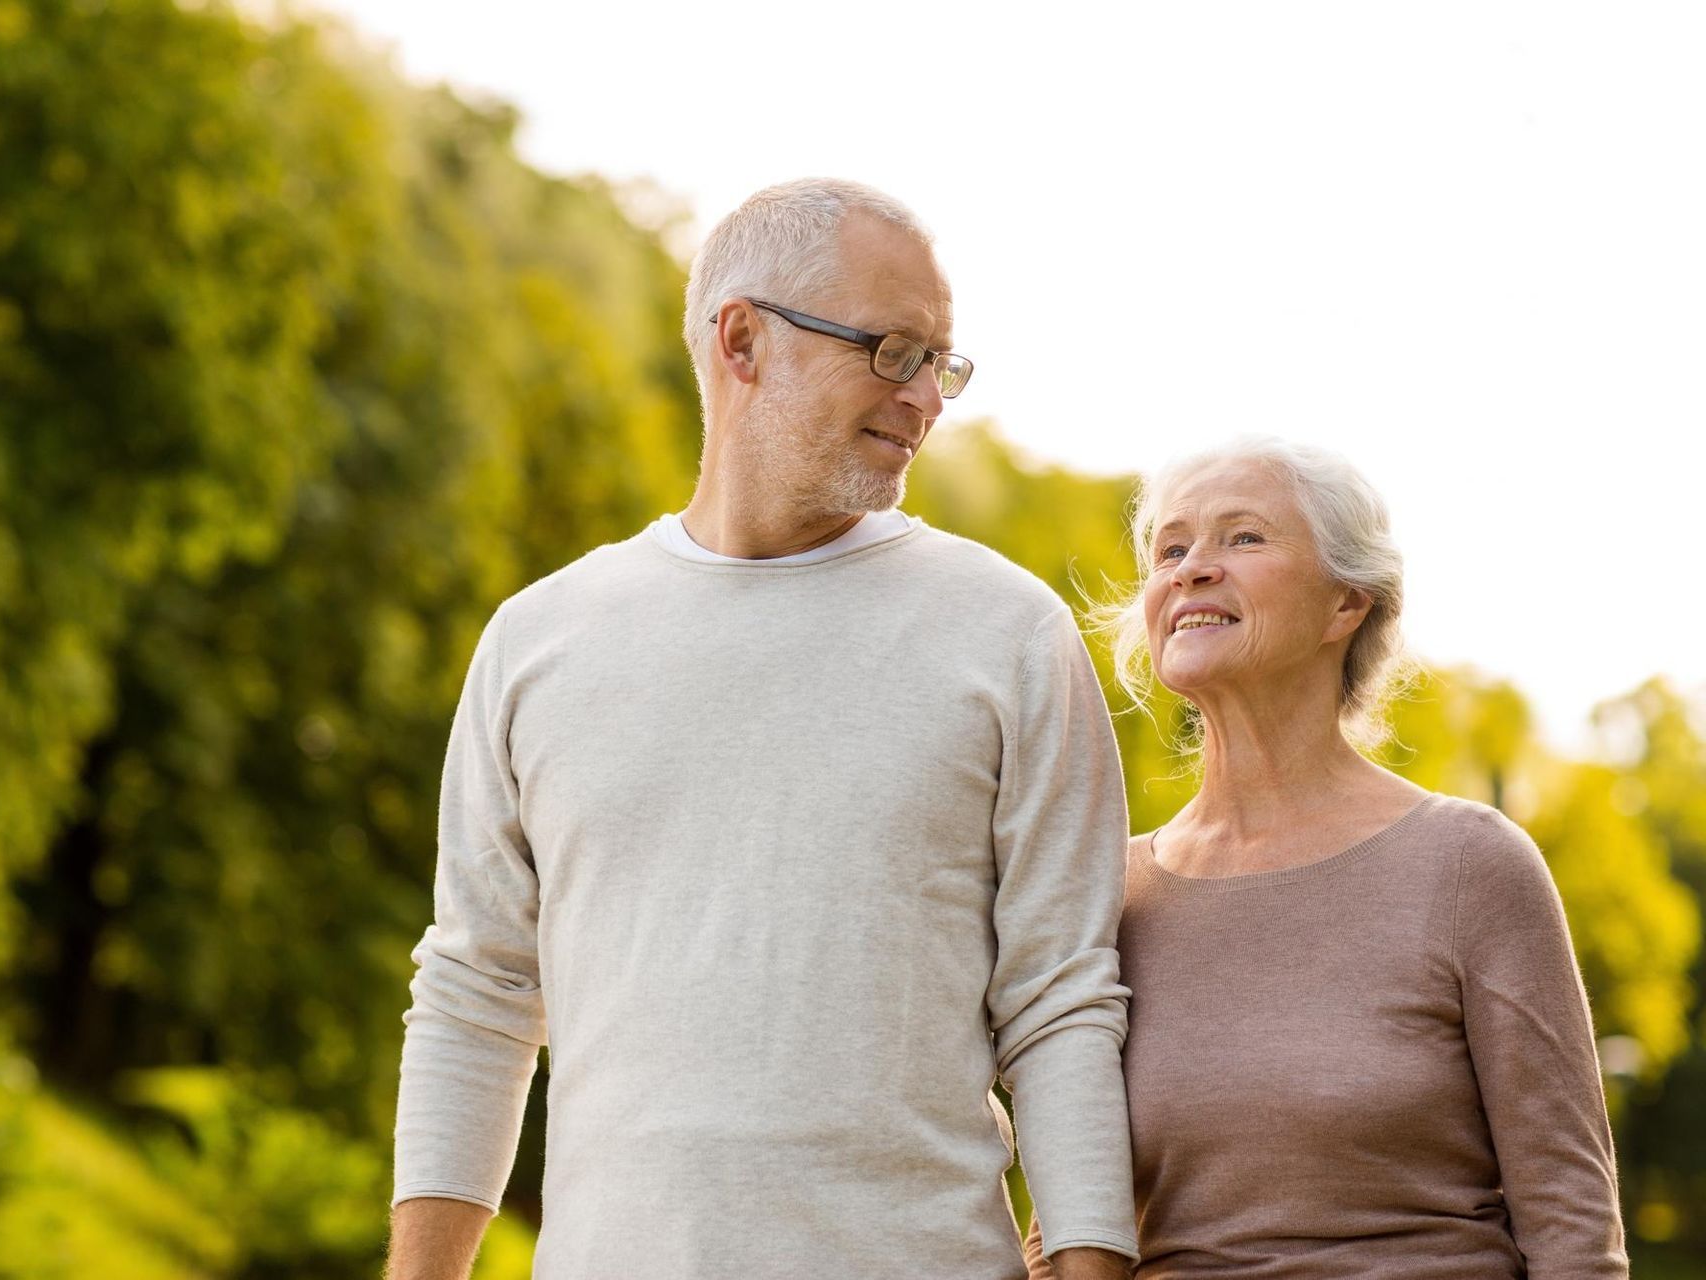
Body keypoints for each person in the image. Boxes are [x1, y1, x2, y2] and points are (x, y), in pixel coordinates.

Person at [385, 178, 1138, 1280]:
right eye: (893, 351)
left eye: (943, 361)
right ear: (743, 340)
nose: (927, 397)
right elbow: (477, 993)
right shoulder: (537, 640)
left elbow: (1061, 1002)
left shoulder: (1009, 632)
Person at [1024, 439, 1629, 1278]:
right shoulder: (1107, 892)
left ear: (1347, 602)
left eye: (1242, 538)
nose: (1192, 569)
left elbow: (1572, 1224)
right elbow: (1067, 1210)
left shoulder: (1469, 863)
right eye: (1171, 548)